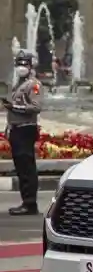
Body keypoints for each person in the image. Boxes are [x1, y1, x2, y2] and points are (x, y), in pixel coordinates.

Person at [3, 51, 42, 216]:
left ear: (31, 66)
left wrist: (14, 108)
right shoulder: (19, 84)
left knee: (26, 167)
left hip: (26, 128)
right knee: (21, 167)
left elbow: (36, 107)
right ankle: (26, 201)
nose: (21, 67)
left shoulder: (34, 84)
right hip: (17, 128)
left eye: (25, 64)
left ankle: (30, 204)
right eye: (19, 64)